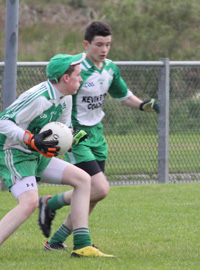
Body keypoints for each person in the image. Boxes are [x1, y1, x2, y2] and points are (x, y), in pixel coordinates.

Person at [0, 52, 114, 261]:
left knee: (84, 180)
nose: (81, 79)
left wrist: (72, 138)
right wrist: (31, 139)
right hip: (13, 153)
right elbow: (1, 122)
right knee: (29, 203)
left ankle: (82, 246)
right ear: (66, 78)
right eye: (78, 75)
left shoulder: (65, 97)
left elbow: (63, 129)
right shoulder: (39, 97)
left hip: (37, 154)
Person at [37, 21, 159, 253]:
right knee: (99, 188)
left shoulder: (110, 68)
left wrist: (143, 106)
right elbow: (55, 93)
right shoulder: (74, 68)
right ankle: (53, 205)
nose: (104, 49)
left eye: (108, 45)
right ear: (86, 44)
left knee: (91, 196)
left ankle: (55, 239)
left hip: (97, 135)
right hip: (76, 134)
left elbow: (123, 95)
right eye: (99, 44)